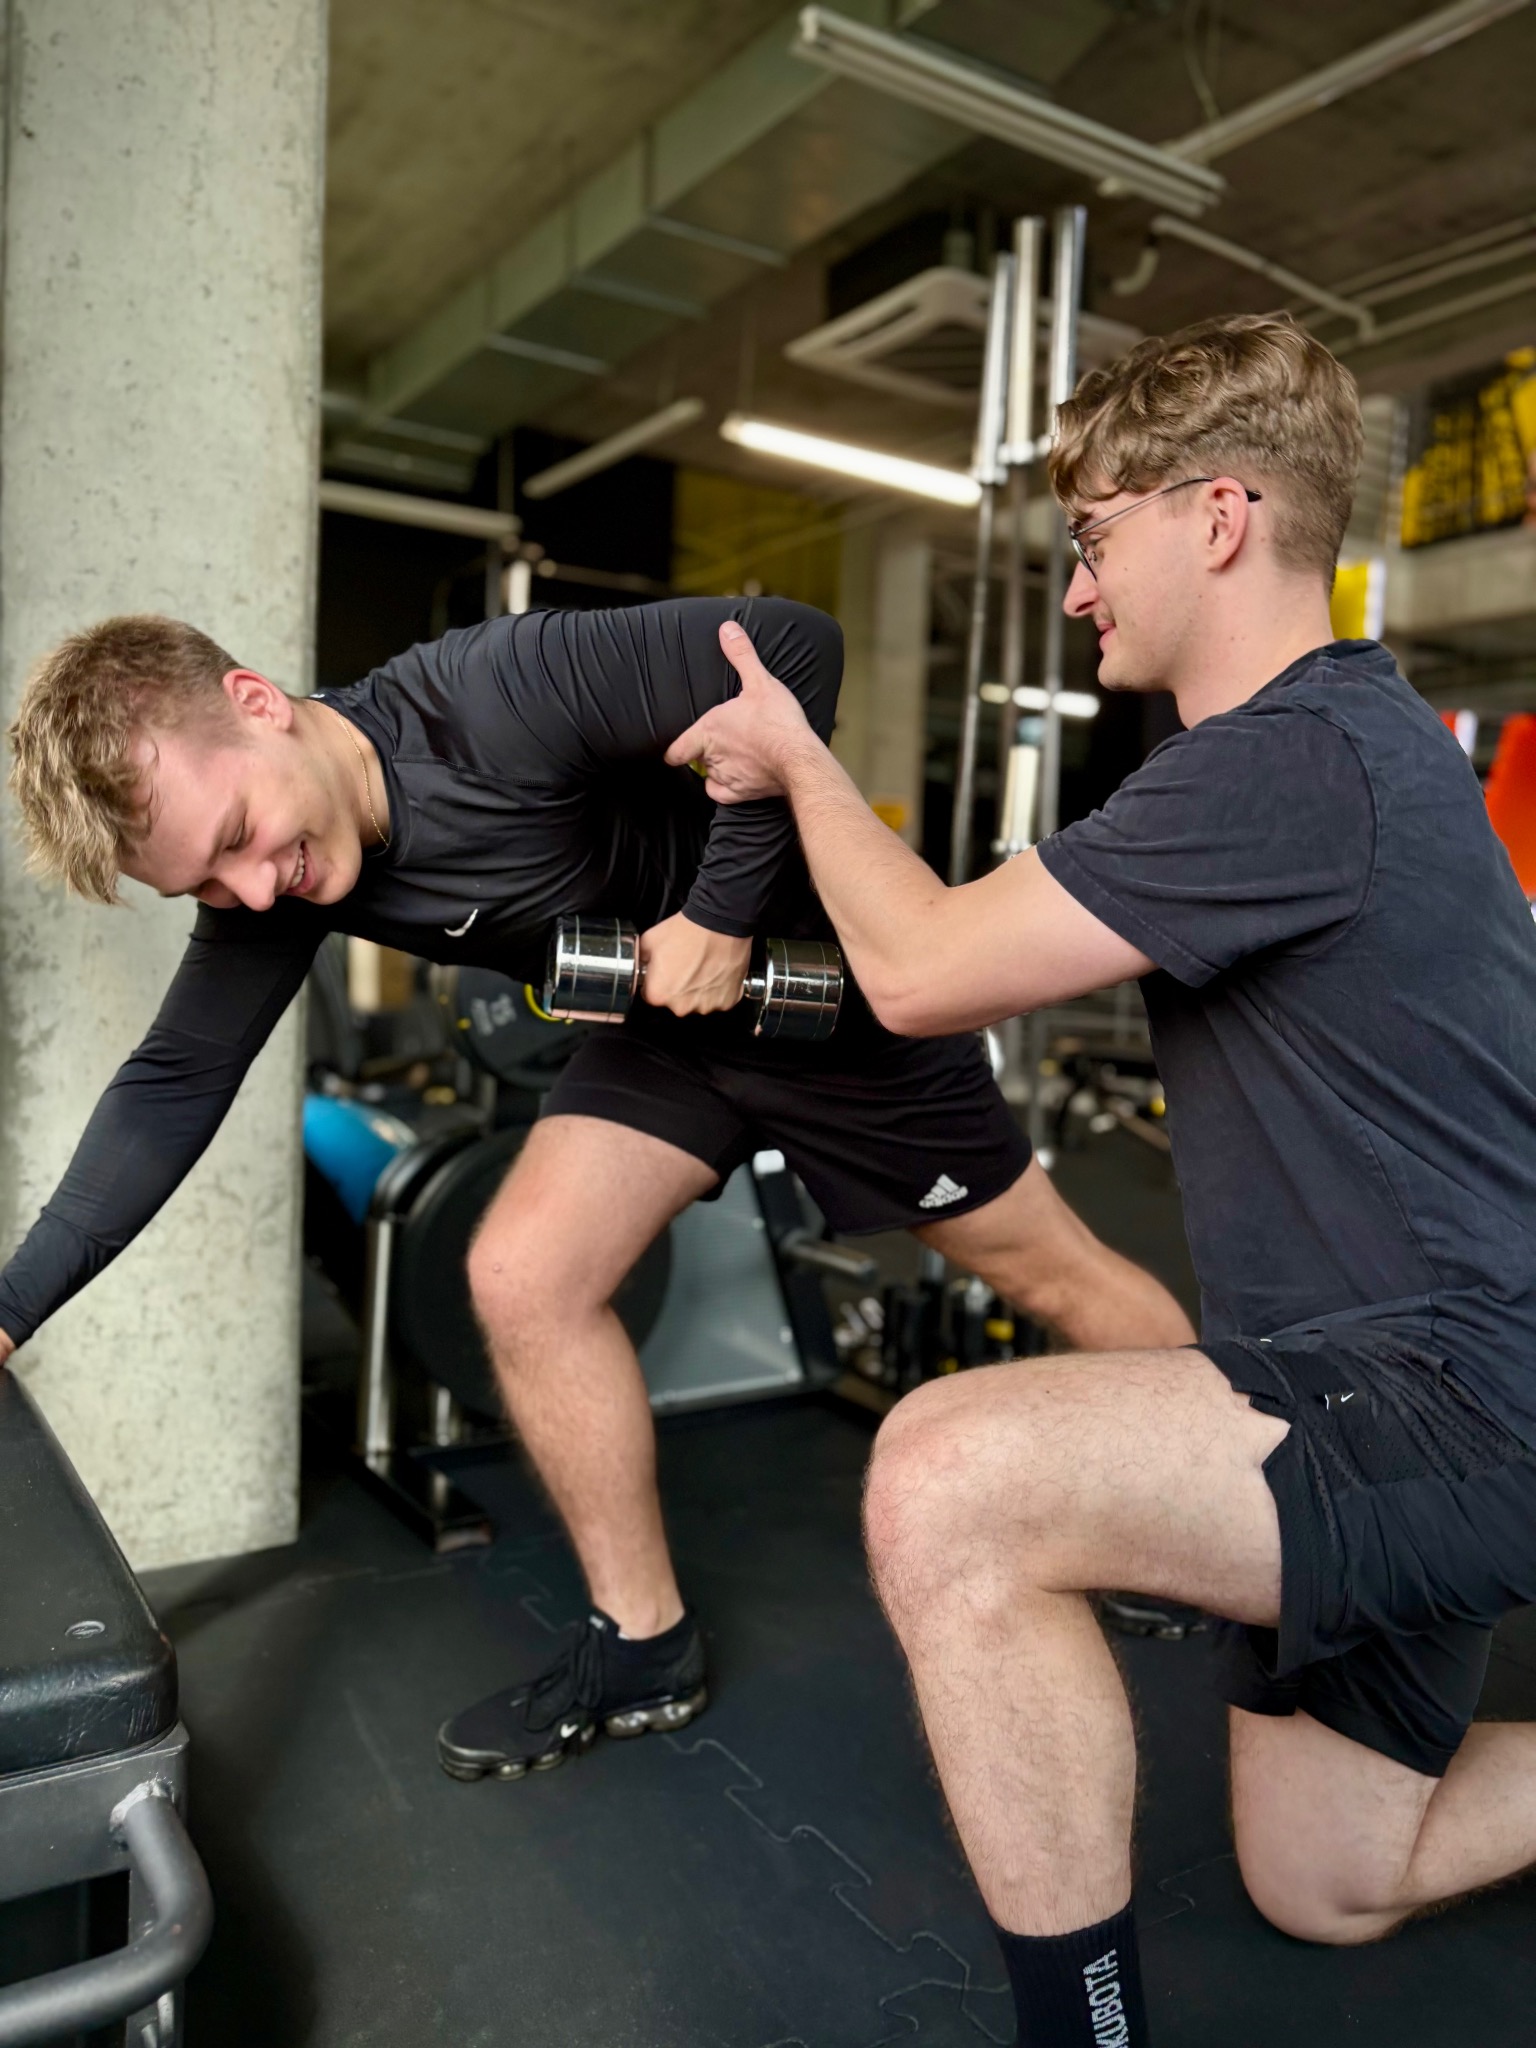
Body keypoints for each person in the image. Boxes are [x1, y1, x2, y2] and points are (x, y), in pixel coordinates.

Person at [668, 312, 1536, 2046]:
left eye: (1094, 534)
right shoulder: (1320, 757)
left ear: (1217, 516)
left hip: (1454, 1401)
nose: (1076, 590)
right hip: (1359, 1379)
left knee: (948, 1473)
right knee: (1333, 1874)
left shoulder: (1292, 757)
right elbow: (933, 956)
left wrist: (796, 760)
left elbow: (918, 966)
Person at [1, 594, 1193, 1787]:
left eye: (238, 835)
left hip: (830, 998)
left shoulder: (495, 692)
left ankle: (1221, 1523)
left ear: (259, 705)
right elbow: (171, 1087)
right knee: (525, 1273)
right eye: (203, 886)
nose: (254, 893)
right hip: (669, 1033)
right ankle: (644, 1643)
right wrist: (13, 1306)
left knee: (1050, 1271)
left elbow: (792, 645)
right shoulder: (291, 875)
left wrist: (721, 914)